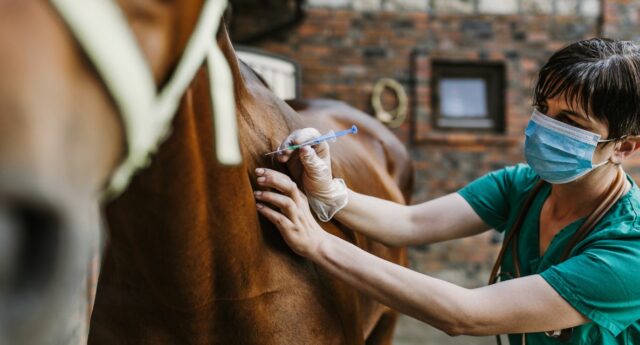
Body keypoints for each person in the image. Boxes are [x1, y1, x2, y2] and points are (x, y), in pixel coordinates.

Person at [252, 38, 640, 344]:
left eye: (569, 122)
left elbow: (466, 313)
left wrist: (318, 244)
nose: (543, 126)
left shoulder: (629, 252)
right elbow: (410, 222)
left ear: (624, 147)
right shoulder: (524, 186)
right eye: (543, 108)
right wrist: (328, 191)